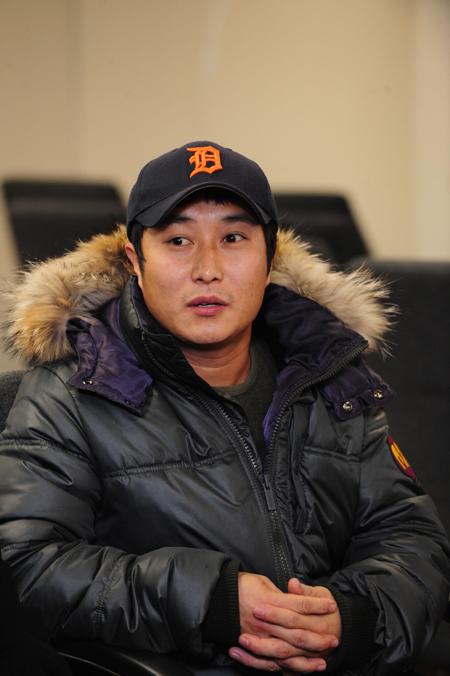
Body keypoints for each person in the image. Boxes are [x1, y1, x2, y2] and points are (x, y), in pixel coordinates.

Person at [0, 140, 448, 676]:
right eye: (178, 240)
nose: (208, 269)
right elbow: (28, 566)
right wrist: (211, 602)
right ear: (135, 261)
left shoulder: (330, 374)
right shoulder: (71, 393)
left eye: (233, 238)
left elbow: (410, 537)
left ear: (270, 258)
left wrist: (349, 619)